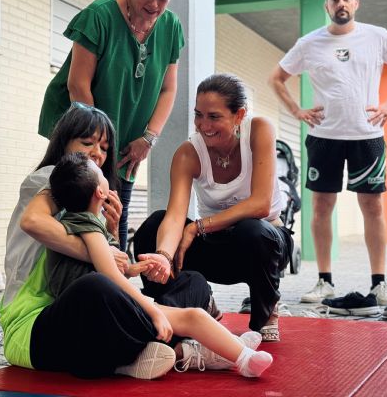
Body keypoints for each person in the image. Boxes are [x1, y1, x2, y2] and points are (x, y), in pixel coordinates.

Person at [0, 104, 212, 380]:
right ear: (64, 144)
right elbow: (33, 222)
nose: (97, 153)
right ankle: (184, 343)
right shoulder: (52, 178)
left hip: (86, 327)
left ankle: (148, 347)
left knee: (192, 282)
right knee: (94, 287)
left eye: (104, 147)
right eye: (87, 142)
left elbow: (113, 272)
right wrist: (102, 255)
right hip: (33, 331)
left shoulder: (91, 200)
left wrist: (111, 235)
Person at [47, 152, 273, 378]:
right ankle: (239, 355)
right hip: (103, 316)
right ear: (100, 191)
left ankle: (231, 351)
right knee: (192, 317)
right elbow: (110, 276)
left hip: (102, 311)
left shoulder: (77, 222)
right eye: (98, 171)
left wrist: (135, 267)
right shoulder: (88, 226)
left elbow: (108, 268)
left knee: (192, 295)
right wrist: (153, 311)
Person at [269, 0, 387, 310]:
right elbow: (276, 78)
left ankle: (379, 284)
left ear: (356, 3)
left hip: (366, 136)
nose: (341, 3)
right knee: (322, 207)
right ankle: (324, 281)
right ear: (327, 6)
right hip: (324, 136)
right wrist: (296, 110)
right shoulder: (309, 43)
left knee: (373, 207)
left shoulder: (377, 37)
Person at [38, 0, 185, 251]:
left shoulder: (170, 27)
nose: (154, 5)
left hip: (130, 131)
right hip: (83, 126)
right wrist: (99, 146)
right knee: (74, 205)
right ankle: (64, 280)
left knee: (116, 206)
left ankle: (112, 276)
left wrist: (148, 137)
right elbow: (78, 85)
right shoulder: (99, 16)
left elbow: (168, 89)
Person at [133, 73, 294, 342]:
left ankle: (265, 312)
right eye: (199, 115)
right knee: (153, 226)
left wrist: (197, 226)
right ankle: (187, 305)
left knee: (252, 230)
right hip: (217, 247)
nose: (203, 125)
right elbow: (173, 217)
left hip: (265, 246)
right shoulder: (188, 152)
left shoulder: (259, 130)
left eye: (214, 117)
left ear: (239, 114)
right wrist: (162, 255)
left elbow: (260, 204)